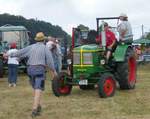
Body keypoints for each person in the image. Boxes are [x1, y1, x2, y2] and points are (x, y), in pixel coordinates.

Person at [4, 32, 57, 117]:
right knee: (38, 89)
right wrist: (54, 71)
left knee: (36, 89)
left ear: (36, 40)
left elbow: (20, 52)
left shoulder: (31, 47)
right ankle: (34, 110)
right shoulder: (45, 49)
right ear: (43, 40)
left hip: (30, 70)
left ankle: (38, 106)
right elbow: (50, 61)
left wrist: (8, 54)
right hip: (39, 70)